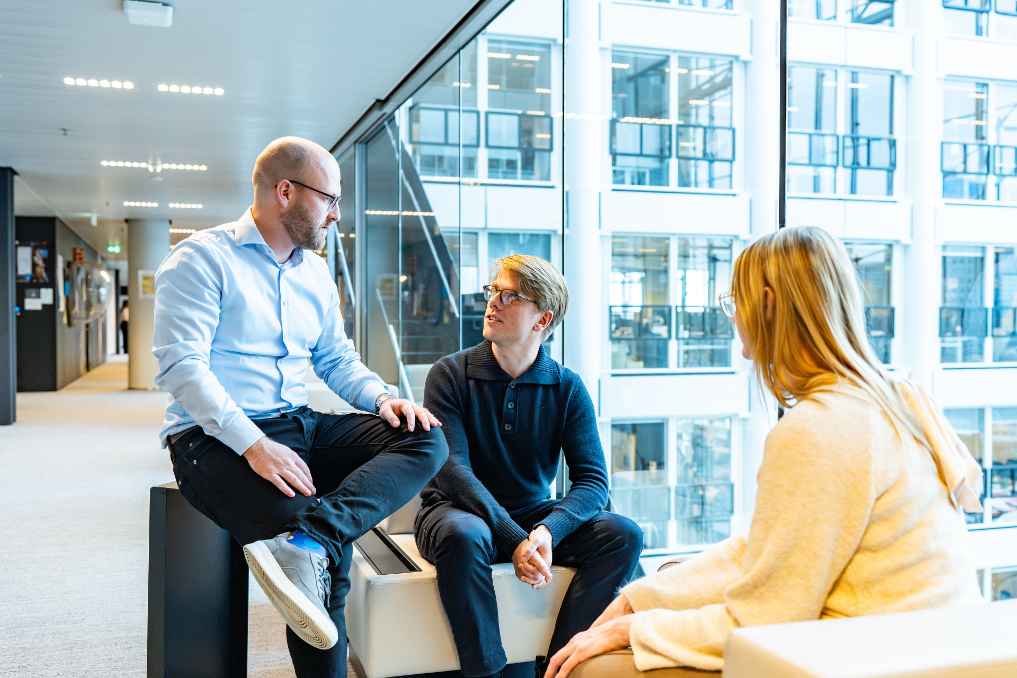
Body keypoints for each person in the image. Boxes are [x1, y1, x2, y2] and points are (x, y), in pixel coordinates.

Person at [545, 226, 985, 678]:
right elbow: (775, 545)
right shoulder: (895, 398)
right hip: (930, 645)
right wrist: (642, 598)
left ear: (769, 304)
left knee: (592, 668)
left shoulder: (819, 428)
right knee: (668, 579)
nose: (734, 316)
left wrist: (635, 629)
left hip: (870, 657)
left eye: (737, 302)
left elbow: (764, 619)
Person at [153, 136, 449, 678]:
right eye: (329, 199)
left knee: (425, 437)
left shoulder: (314, 273)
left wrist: (382, 398)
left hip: (298, 425)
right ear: (284, 191)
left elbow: (336, 359)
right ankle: (312, 541)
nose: (337, 215)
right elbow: (182, 368)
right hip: (211, 438)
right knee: (324, 569)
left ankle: (314, 536)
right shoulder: (201, 258)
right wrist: (254, 445)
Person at [415, 254, 643, 678]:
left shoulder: (567, 387)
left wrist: (543, 532)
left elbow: (593, 482)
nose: (492, 302)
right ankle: (484, 671)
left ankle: (557, 666)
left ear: (542, 319)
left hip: (530, 514)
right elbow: (452, 469)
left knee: (624, 534)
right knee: (465, 534)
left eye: (509, 295)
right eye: (492, 291)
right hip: (455, 512)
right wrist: (514, 537)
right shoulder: (449, 374)